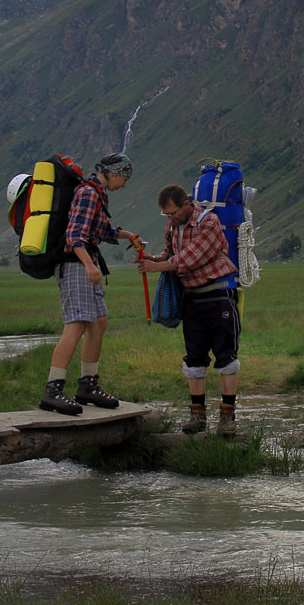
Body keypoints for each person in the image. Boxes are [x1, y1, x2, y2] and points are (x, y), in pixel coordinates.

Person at [38, 152, 141, 415]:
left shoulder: (98, 193)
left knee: (99, 322)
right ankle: (53, 389)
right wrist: (89, 265)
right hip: (76, 265)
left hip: (84, 263)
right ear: (113, 173)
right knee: (76, 325)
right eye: (124, 179)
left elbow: (101, 230)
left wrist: (127, 234)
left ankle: (87, 385)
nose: (124, 184)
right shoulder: (88, 193)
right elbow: (75, 236)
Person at [136, 184, 240, 435]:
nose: (170, 219)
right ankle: (197, 416)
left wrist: (159, 268)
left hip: (218, 295)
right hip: (192, 299)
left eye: (172, 213)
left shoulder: (209, 222)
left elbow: (193, 257)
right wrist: (154, 259)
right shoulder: (173, 226)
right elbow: (171, 254)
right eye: (166, 215)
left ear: (186, 204)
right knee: (194, 359)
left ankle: (227, 417)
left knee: (226, 357)